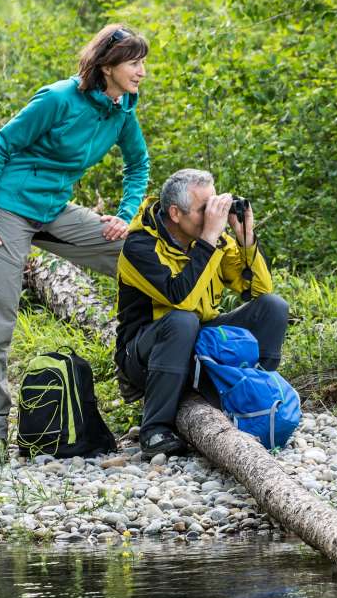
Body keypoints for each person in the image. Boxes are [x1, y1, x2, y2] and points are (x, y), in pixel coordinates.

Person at [0, 24, 150, 463]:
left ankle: (140, 381)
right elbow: (1, 145)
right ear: (107, 67)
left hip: (55, 209)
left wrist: (124, 218)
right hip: (9, 209)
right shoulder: (57, 99)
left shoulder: (122, 110)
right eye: (134, 63)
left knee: (142, 263)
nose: (142, 72)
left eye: (143, 63)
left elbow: (138, 165)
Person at [115, 168, 289, 456]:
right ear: (175, 213)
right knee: (183, 321)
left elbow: (257, 289)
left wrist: (245, 237)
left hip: (197, 340)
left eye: (214, 206)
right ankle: (154, 429)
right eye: (203, 209)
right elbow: (179, 299)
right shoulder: (139, 246)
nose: (212, 215)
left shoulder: (210, 238)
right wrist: (209, 238)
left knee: (273, 307)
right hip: (145, 353)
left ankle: (257, 402)